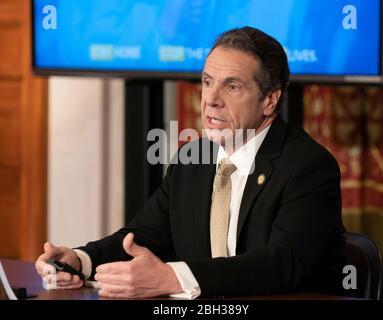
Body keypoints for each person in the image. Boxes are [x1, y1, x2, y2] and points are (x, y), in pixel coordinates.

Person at [35, 26, 345, 299]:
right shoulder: (191, 161)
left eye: (232, 86)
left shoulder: (308, 167)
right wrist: (79, 260)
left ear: (270, 100)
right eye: (208, 82)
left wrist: (172, 278)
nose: (211, 98)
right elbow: (141, 237)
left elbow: (280, 264)